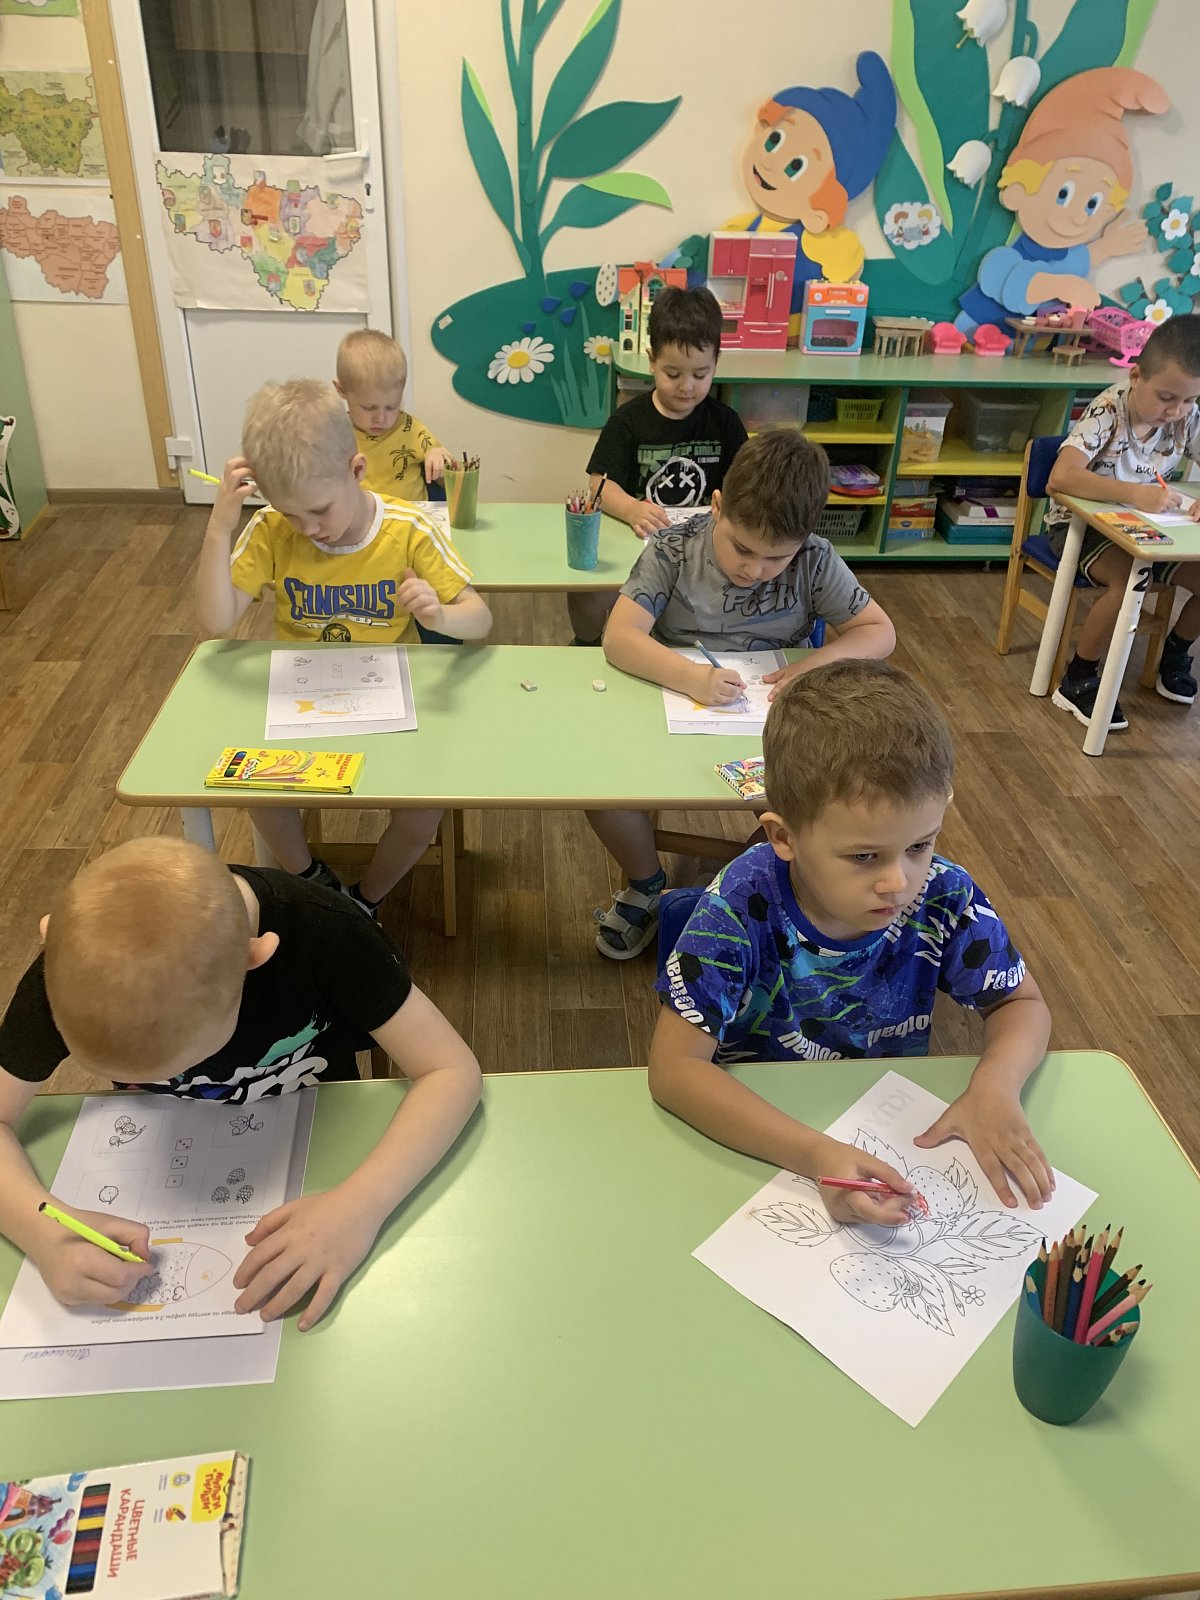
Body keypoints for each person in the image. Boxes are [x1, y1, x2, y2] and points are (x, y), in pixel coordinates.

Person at [0, 838, 481, 1329]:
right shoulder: (74, 964)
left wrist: (362, 1204)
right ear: (49, 933)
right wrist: (42, 1231)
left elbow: (451, 1071)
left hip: (325, 1140)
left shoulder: (329, 933)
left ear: (255, 958)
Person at [649, 660, 1054, 1219]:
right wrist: (815, 1155)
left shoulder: (942, 893)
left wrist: (995, 1086)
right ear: (784, 837)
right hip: (759, 1134)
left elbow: (1021, 1003)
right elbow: (674, 1071)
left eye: (920, 845)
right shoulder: (738, 908)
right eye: (865, 856)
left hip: (887, 1120)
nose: (899, 882)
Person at [589, 428, 895, 959]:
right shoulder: (674, 548)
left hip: (770, 724)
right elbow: (619, 636)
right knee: (597, 784)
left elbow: (879, 632)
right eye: (743, 548)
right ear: (717, 507)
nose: (755, 570)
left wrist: (813, 665)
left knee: (819, 810)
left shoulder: (815, 558)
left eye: (776, 559)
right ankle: (646, 883)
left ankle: (739, 890)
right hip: (674, 704)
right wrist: (692, 678)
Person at [195, 378, 492, 917]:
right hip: (304, 701)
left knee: (426, 808)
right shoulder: (270, 528)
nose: (309, 529)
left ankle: (364, 902)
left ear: (356, 471)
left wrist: (439, 615)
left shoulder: (407, 528)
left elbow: (481, 619)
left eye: (319, 510)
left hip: (391, 700)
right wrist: (219, 528)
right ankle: (313, 882)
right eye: (291, 514)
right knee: (251, 786)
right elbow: (216, 620)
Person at [1046, 313, 1200, 729]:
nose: (1176, 411)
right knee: (1132, 581)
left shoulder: (1186, 417)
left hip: (1151, 531)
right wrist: (1133, 493)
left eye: (1189, 400)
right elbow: (1060, 478)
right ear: (1135, 377)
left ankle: (1174, 656)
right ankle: (1078, 679)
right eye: (1166, 397)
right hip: (1079, 527)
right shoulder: (1108, 411)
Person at [571, 286, 748, 646]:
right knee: (585, 593)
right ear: (652, 361)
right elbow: (599, 484)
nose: (687, 387)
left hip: (705, 549)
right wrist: (631, 508)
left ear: (716, 362)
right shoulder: (628, 421)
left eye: (700, 375)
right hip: (641, 544)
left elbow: (747, 484)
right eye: (673, 374)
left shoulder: (725, 422)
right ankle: (585, 646)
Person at [956, 68, 1165, 335]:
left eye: (1092, 204)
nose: (1079, 216)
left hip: (1025, 350)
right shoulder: (1004, 258)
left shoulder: (1067, 258)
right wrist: (1063, 286)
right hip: (970, 338)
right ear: (1018, 189)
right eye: (1063, 194)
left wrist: (1108, 246)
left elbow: (1080, 260)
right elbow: (1014, 283)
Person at [334, 327, 449, 501]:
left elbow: (450, 483)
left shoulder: (411, 430)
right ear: (341, 389)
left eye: (391, 407)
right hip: (359, 515)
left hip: (411, 513)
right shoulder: (335, 434)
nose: (380, 418)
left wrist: (439, 461)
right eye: (368, 408)